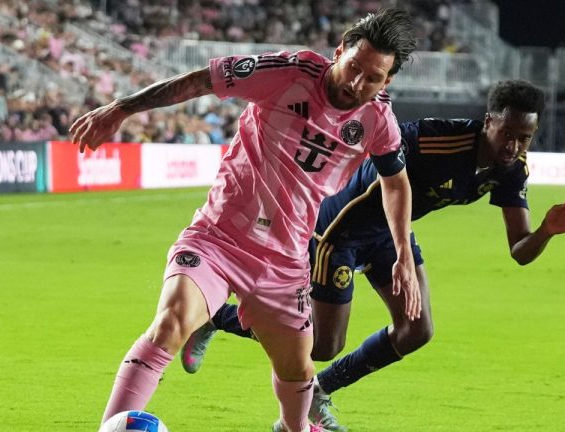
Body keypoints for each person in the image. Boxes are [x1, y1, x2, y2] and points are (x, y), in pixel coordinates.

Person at [68, 8, 420, 432]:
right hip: (217, 239)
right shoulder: (288, 71)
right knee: (169, 324)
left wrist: (403, 252)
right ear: (339, 51)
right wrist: (122, 108)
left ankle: (296, 427)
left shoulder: (378, 121)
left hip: (285, 261)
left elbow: (395, 183)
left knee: (298, 367)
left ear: (388, 81)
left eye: (373, 78)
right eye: (353, 68)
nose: (356, 83)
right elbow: (203, 80)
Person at [181, 79, 565, 431]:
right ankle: (217, 316)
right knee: (323, 344)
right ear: (489, 122)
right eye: (509, 133)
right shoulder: (439, 137)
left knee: (416, 330)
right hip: (338, 231)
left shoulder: (512, 169)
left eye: (526, 137)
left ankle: (318, 394)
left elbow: (520, 252)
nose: (515, 145)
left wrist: (545, 232)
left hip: (389, 236)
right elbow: (383, 144)